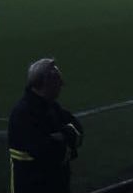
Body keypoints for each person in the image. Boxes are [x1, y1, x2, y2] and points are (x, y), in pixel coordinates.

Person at [8, 58, 84, 193]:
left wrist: (61, 137)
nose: (62, 84)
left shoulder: (52, 107)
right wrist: (67, 138)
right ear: (45, 83)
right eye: (57, 80)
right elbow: (47, 153)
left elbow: (78, 130)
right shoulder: (23, 114)